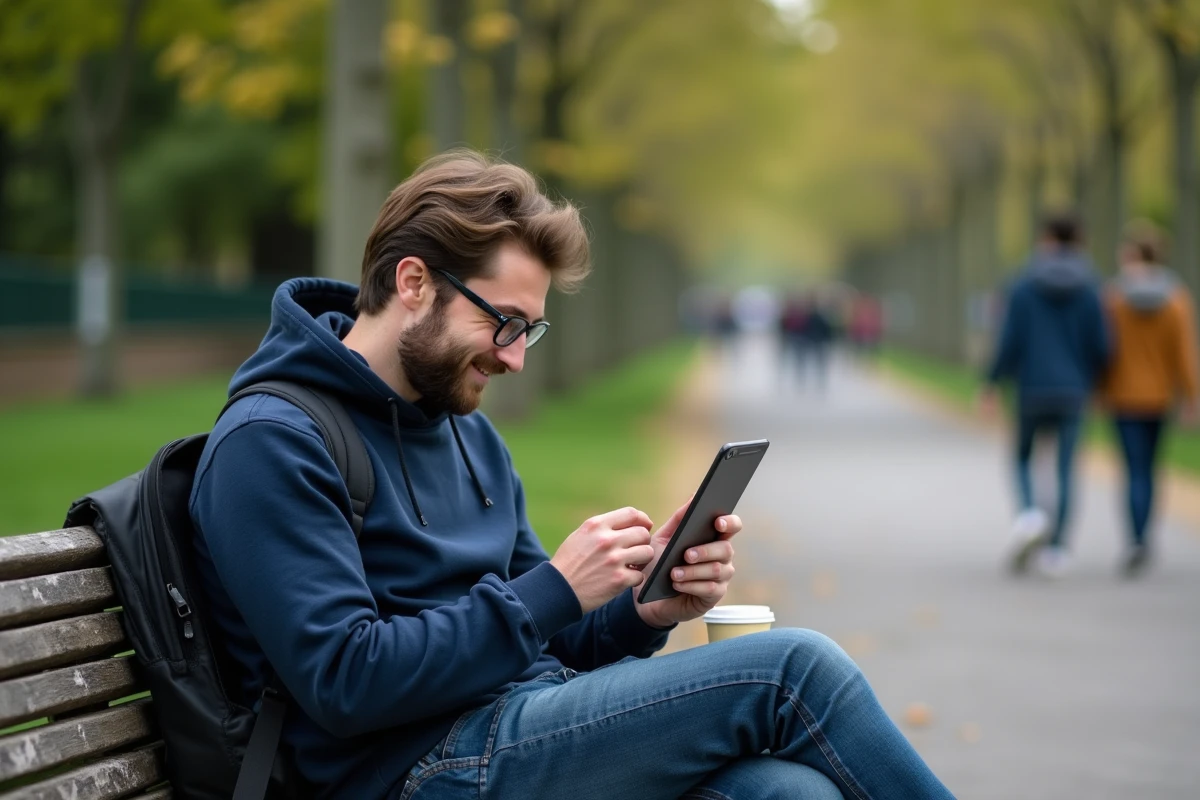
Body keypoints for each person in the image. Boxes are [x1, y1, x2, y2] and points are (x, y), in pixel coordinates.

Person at [190, 150, 954, 799]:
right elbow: (345, 680)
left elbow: (544, 639)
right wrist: (552, 588)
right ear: (414, 281)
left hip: (518, 727)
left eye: (531, 329)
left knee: (790, 792)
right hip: (407, 771)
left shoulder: (468, 435)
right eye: (505, 323)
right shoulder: (273, 441)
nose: (516, 357)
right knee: (794, 669)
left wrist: (642, 611)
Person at [981, 213, 1111, 578]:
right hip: (1073, 391)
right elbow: (1102, 345)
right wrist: (1095, 381)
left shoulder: (1022, 285)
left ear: (1048, 239)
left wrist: (991, 382)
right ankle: (1058, 549)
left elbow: (1009, 341)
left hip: (1031, 388)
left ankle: (1029, 515)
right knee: (1066, 468)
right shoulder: (1091, 287)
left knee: (1023, 457)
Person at [1099, 226, 1199, 576]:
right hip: (1159, 396)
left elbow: (1102, 349)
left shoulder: (1113, 299)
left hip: (1123, 395)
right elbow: (1184, 353)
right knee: (1151, 469)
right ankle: (1146, 538)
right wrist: (1191, 396)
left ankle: (1135, 539)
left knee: (1132, 469)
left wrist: (1099, 389)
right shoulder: (1176, 299)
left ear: (1131, 255)